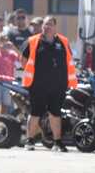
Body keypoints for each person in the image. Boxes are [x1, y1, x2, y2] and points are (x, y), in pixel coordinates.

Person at [22, 16, 78, 152]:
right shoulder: (33, 41)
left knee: (55, 113)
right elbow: (23, 60)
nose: (47, 27)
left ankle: (57, 142)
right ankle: (29, 141)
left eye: (50, 24)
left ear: (55, 27)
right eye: (45, 24)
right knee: (35, 112)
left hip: (58, 85)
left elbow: (69, 60)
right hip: (38, 85)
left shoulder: (63, 42)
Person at [0, 33, 21, 116]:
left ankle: (3, 120)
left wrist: (14, 48)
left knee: (6, 104)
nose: (3, 42)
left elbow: (21, 61)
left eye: (5, 40)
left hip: (8, 82)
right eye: (1, 40)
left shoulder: (12, 53)